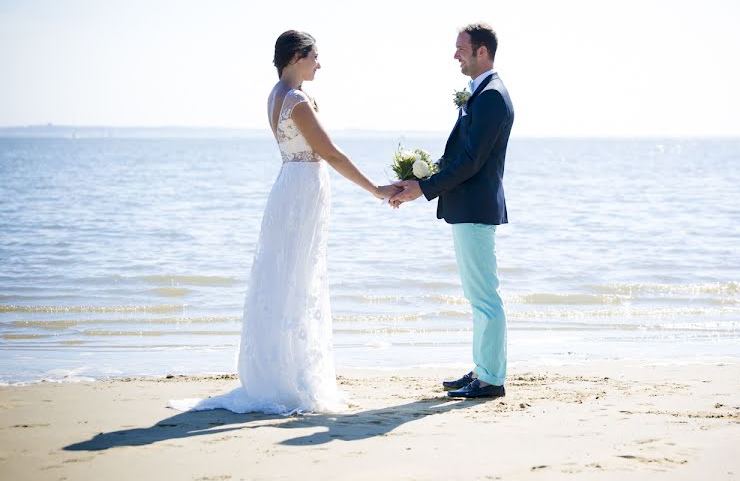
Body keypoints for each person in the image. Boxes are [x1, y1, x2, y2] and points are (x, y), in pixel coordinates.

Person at [172, 30, 399, 415]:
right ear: (296, 56)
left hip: (293, 187)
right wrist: (376, 189)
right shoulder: (294, 100)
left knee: (290, 279)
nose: (319, 64)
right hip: (300, 192)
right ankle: (292, 379)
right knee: (297, 279)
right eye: (314, 57)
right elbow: (330, 152)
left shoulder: (278, 94)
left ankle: (284, 370)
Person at [391, 23, 514, 398]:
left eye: (461, 48)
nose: (455, 55)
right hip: (467, 207)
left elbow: (473, 161)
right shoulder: (480, 94)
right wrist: (418, 176)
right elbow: (460, 155)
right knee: (476, 295)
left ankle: (491, 378)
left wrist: (424, 188)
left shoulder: (492, 96)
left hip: (475, 206)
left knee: (484, 296)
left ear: (482, 52)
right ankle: (482, 369)